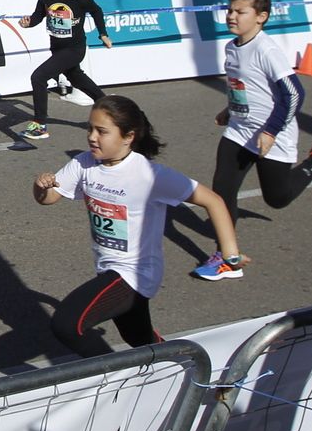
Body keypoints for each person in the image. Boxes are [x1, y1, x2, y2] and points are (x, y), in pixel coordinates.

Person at [32, 95, 241, 356]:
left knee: (67, 324)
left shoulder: (149, 175)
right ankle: (188, 368)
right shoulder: (84, 164)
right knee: (139, 339)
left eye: (102, 132)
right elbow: (49, 199)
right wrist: (41, 187)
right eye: (90, 128)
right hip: (107, 268)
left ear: (128, 136)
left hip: (135, 274)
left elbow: (214, 201)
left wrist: (230, 254)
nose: (92, 137)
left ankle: (112, 378)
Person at [196, 0, 312, 281]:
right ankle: (227, 257)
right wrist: (229, 110)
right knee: (222, 191)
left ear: (261, 17)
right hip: (240, 132)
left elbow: (294, 94)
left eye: (240, 12)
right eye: (230, 10)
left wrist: (271, 130)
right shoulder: (232, 46)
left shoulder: (266, 50)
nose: (231, 16)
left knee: (277, 198)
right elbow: (245, 86)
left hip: (272, 135)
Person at [15, 0, 112, 148]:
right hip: (57, 48)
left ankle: (40, 124)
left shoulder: (81, 0)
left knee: (39, 77)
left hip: (74, 50)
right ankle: (109, 107)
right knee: (77, 79)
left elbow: (97, 11)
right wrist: (29, 23)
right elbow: (37, 17)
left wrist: (103, 34)